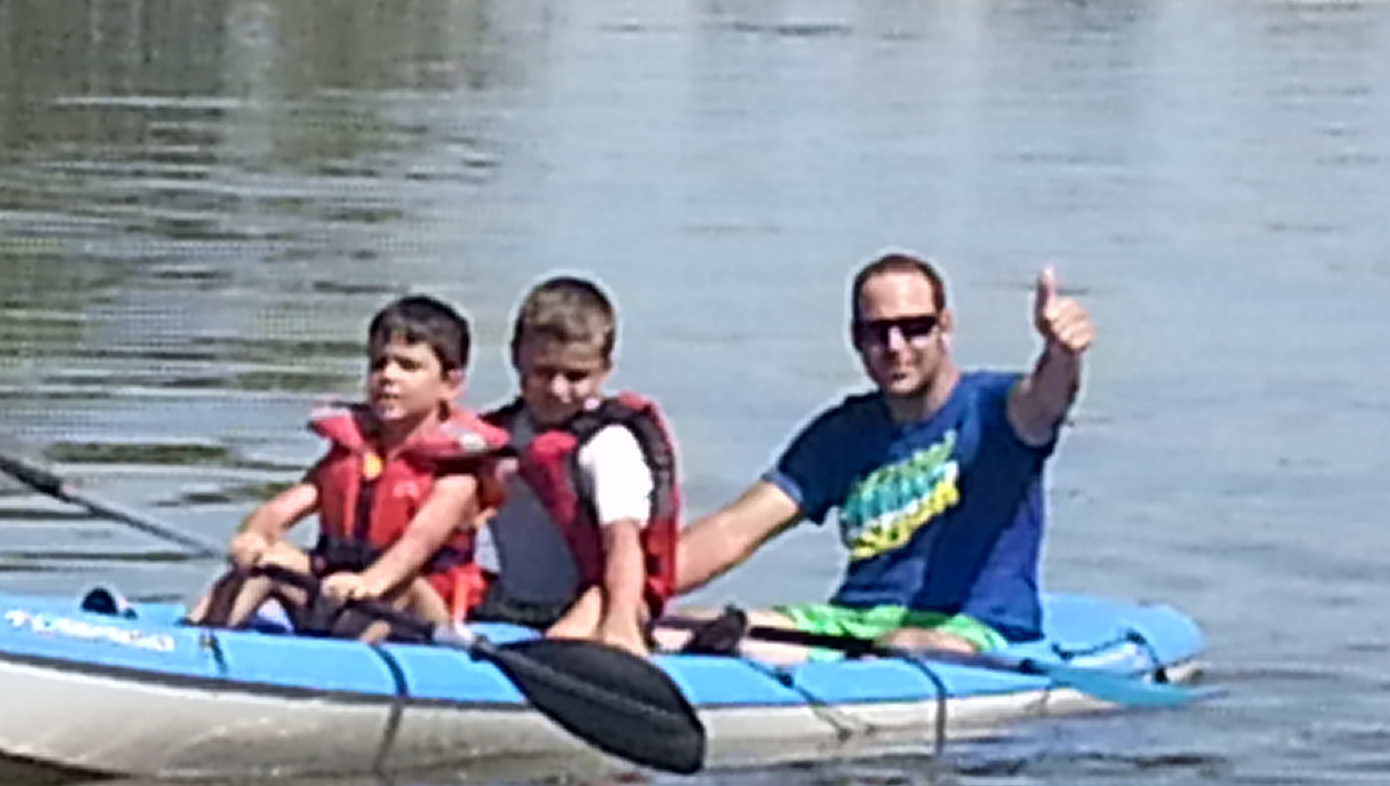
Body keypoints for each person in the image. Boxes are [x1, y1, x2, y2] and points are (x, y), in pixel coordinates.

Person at [671, 252, 1093, 660]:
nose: (895, 346)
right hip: (853, 624)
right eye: (877, 332)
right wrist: (638, 589)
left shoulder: (996, 409)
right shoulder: (843, 432)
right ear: (856, 339)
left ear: (945, 327)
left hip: (972, 630)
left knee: (901, 644)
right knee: (678, 629)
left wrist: (1062, 355)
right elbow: (735, 530)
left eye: (914, 328)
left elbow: (1047, 398)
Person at [192, 294, 503, 637]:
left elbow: (416, 545)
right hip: (341, 593)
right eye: (379, 364)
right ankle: (197, 638)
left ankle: (348, 661)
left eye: (408, 366)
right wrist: (254, 537)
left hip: (419, 616)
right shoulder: (349, 454)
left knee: (407, 585)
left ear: (450, 384)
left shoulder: (456, 477)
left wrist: (369, 582)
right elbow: (281, 510)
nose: (388, 376)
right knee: (272, 559)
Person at [473, 276, 680, 657]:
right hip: (513, 604)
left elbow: (622, 541)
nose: (557, 389)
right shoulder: (494, 435)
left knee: (564, 640)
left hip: (592, 603)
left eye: (576, 376)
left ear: (604, 369)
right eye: (543, 372)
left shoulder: (608, 445)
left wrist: (620, 625)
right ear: (516, 357)